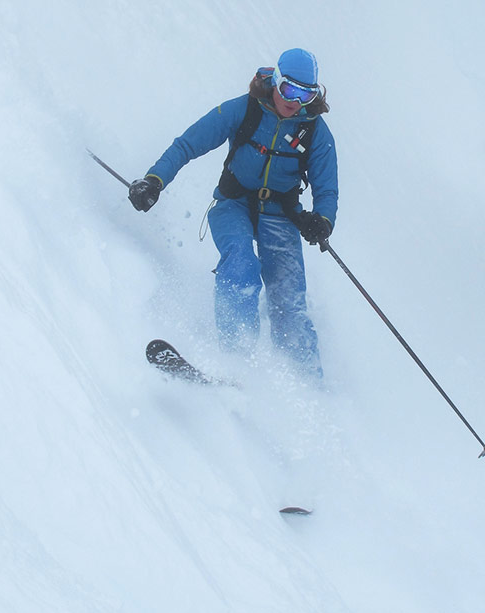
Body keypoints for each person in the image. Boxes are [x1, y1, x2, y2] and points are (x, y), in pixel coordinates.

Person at [128, 48, 338, 379]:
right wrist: (154, 180)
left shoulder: (314, 131)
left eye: (305, 94)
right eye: (289, 90)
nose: (295, 101)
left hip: (282, 216)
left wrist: (322, 222)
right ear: (276, 82)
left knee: (289, 304)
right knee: (241, 265)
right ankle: (237, 362)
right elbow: (188, 144)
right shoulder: (244, 109)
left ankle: (307, 384)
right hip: (233, 204)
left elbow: (327, 188)